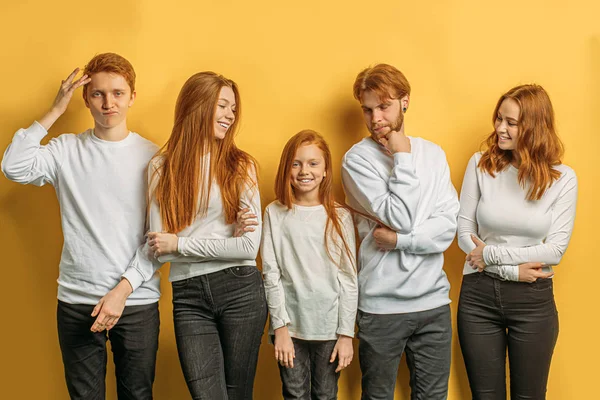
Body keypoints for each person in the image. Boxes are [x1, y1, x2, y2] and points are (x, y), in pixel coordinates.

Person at [1, 53, 161, 399]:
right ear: (86, 99)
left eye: (118, 93)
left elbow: (158, 238)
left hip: (135, 301)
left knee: (138, 395)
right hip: (77, 300)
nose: (108, 103)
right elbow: (13, 166)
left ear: (132, 97)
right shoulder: (65, 150)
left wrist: (121, 292)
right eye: (98, 94)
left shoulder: (154, 157)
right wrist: (56, 110)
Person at [144, 71, 267, 400]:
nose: (230, 115)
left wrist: (181, 241)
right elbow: (160, 249)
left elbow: (247, 246)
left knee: (237, 394)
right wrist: (222, 244)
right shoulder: (161, 167)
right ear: (197, 105)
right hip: (188, 296)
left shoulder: (241, 165)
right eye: (223, 105)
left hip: (240, 288)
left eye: (233, 109)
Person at [341, 63, 459, 400]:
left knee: (433, 396)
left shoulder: (434, 154)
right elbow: (403, 215)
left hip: (433, 303)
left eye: (384, 106)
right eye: (367, 109)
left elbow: (446, 225)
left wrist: (400, 241)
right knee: (377, 395)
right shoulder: (357, 161)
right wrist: (402, 157)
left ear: (404, 102)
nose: (375, 118)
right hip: (382, 306)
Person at [457, 84, 578, 400]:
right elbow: (464, 235)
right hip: (478, 299)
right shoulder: (480, 165)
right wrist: (512, 271)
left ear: (534, 128)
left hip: (532, 302)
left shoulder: (563, 179)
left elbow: (554, 250)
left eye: (511, 122)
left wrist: (492, 253)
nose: (500, 128)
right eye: (499, 119)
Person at [261, 130, 358, 399]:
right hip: (291, 329)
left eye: (313, 163)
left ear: (326, 170)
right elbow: (271, 273)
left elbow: (349, 279)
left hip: (329, 329)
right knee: (294, 393)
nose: (305, 171)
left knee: (326, 395)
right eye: (296, 163)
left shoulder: (339, 217)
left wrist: (346, 334)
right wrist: (279, 328)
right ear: (287, 168)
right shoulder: (274, 213)